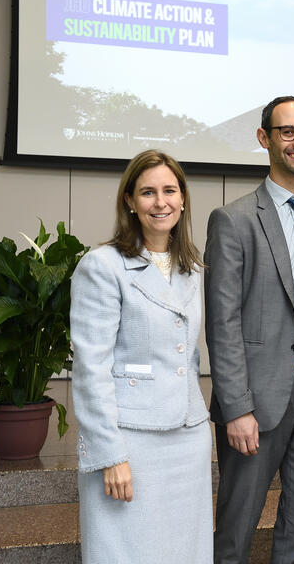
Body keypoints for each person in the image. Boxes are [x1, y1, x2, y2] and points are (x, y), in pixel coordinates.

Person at [205, 96, 294, 564]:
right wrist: (236, 406)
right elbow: (222, 323)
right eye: (288, 132)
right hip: (257, 400)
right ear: (264, 138)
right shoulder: (233, 219)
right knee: (236, 528)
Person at [71, 149, 211, 563]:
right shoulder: (102, 266)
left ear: (183, 199)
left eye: (170, 190)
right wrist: (110, 454)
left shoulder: (193, 268)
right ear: (129, 201)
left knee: (185, 551)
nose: (160, 201)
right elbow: (91, 369)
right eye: (148, 192)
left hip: (188, 437)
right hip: (131, 439)